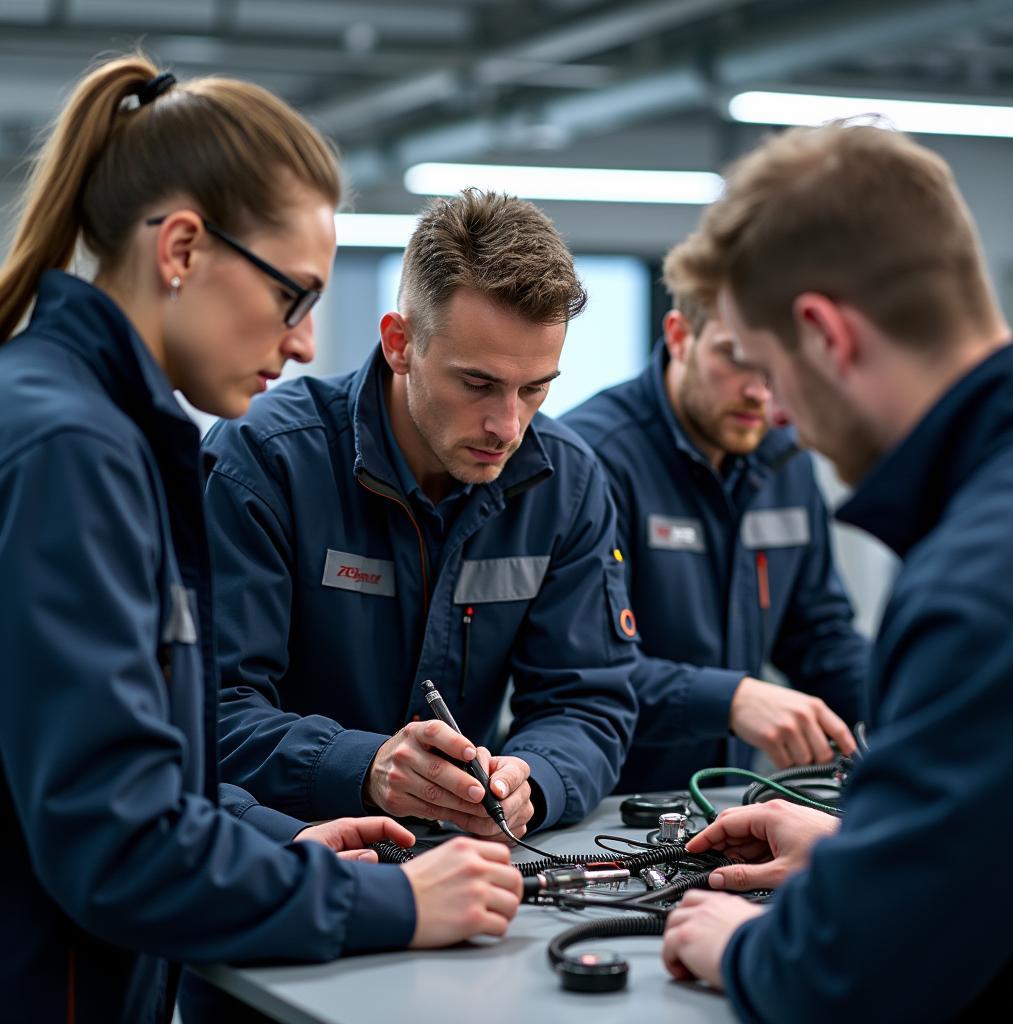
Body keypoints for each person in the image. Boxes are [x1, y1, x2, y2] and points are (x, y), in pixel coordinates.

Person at [0, 56, 522, 1024]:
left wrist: (270, 847)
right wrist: (388, 900)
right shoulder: (74, 448)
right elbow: (112, 847)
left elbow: (131, 774)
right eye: (294, 296)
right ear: (183, 250)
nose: (305, 344)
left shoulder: (93, 427)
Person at [658, 122, 1013, 1020]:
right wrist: (862, 846)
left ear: (824, 334)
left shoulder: (979, 583)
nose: (775, 412)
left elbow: (848, 976)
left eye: (770, 365)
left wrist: (747, 947)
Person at [201, 188, 639, 840]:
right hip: (287, 857)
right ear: (399, 343)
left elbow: (588, 699)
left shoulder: (566, 484)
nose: (507, 424)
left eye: (536, 388)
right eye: (478, 383)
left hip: (464, 861)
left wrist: (534, 780)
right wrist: (364, 766)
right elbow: (209, 709)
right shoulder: (264, 463)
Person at [564, 249, 868, 792]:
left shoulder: (785, 462)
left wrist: (916, 700)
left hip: (728, 801)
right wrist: (733, 698)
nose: (761, 393)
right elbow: (581, 672)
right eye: (737, 358)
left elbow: (820, 638)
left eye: (778, 366)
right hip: (608, 809)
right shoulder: (592, 459)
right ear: (680, 335)